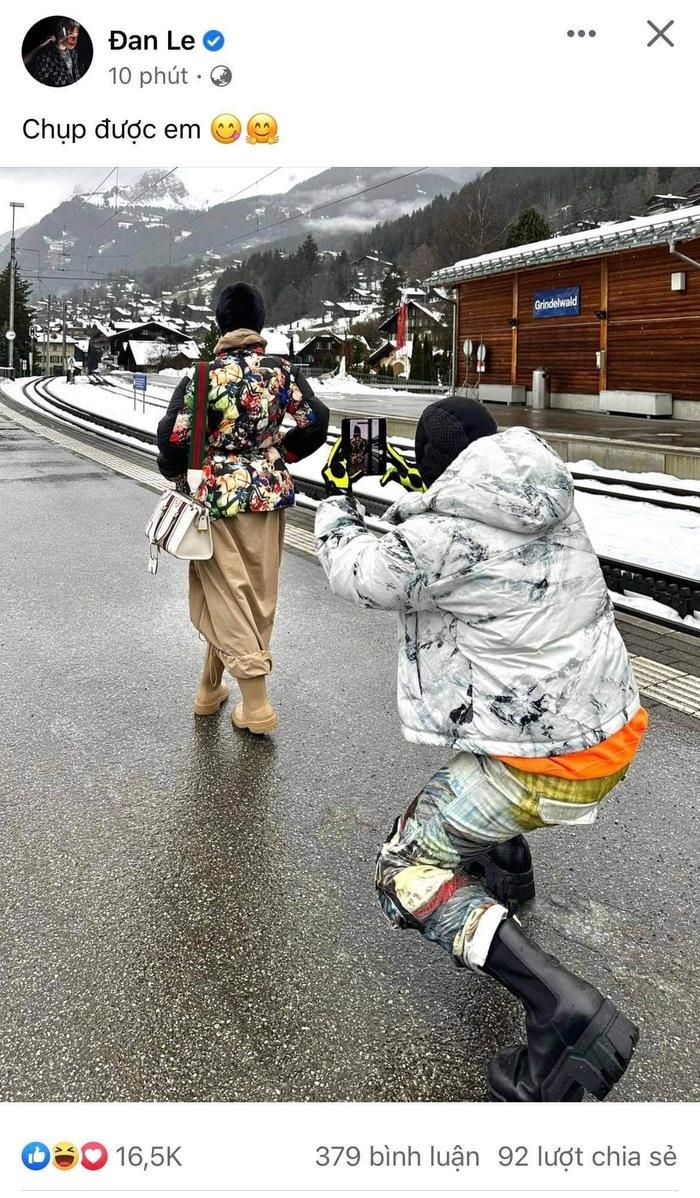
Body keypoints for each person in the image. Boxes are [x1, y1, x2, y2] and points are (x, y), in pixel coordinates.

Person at [316, 398, 647, 1102]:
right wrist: (422, 510)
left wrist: (333, 510)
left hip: (548, 764)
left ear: (437, 469)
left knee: (404, 866)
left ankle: (564, 1015)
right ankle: (505, 874)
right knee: (472, 756)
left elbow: (361, 574)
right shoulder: (545, 495)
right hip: (613, 728)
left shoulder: (437, 539)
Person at [157, 282, 329, 733]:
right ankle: (209, 688)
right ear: (260, 323)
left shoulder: (202, 375)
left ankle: (256, 705)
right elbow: (317, 421)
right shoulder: (281, 372)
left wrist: (178, 475)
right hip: (269, 499)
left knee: (226, 593)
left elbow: (172, 438)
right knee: (253, 595)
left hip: (215, 500)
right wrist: (281, 455)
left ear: (220, 323)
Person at [25, 19, 84, 87]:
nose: (74, 40)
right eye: (71, 36)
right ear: (60, 32)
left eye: (76, 36)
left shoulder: (74, 53)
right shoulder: (46, 57)